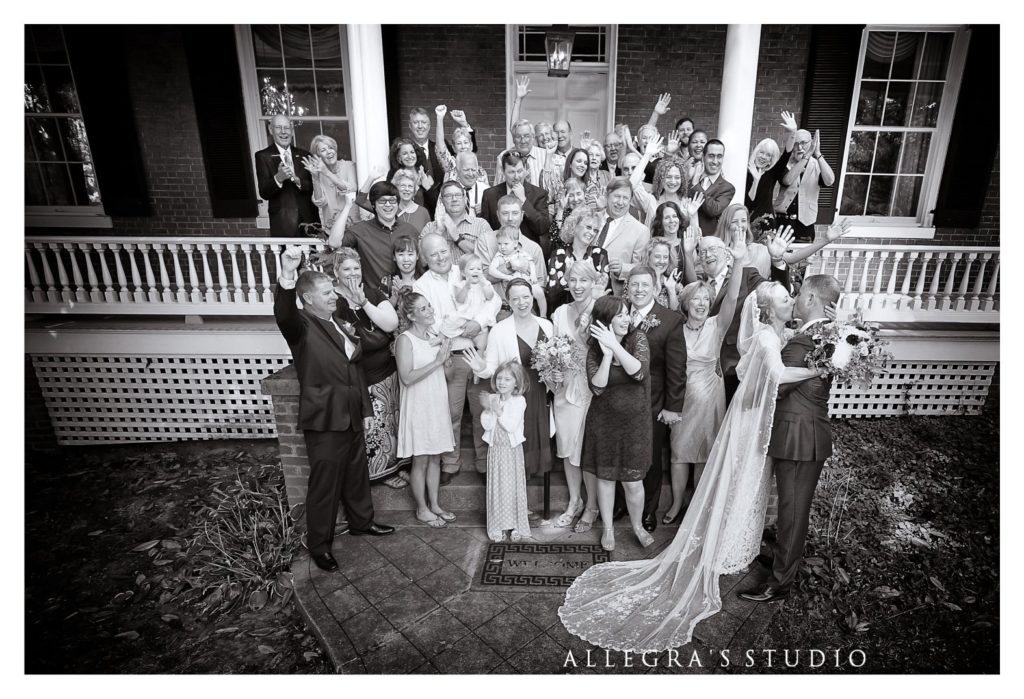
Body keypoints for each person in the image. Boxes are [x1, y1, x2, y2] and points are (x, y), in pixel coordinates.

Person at [558, 281, 828, 652]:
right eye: (785, 298)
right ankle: (733, 544)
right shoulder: (768, 337)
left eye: (792, 297)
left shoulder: (781, 335)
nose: (792, 300)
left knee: (745, 485)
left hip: (754, 419)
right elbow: (601, 385)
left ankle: (736, 542)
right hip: (737, 417)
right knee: (731, 479)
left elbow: (640, 369)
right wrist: (826, 367)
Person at [273, 247, 394, 572]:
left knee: (357, 473)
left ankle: (361, 522)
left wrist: (367, 411)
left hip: (353, 413)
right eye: (326, 292)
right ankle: (319, 545)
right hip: (325, 418)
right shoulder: (300, 328)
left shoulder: (339, 323)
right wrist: (287, 273)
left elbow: (356, 369)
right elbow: (283, 311)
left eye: (331, 291)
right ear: (308, 298)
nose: (332, 296)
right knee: (325, 484)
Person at [739, 274, 842, 602]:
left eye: (799, 294)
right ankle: (785, 561)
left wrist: (748, 393)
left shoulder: (803, 343)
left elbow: (777, 387)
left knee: (792, 511)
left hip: (800, 437)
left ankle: (780, 582)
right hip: (802, 435)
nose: (795, 299)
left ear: (812, 299)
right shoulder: (823, 335)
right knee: (790, 509)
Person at [664, 237, 747, 524]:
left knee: (702, 451)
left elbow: (734, 298)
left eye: (705, 299)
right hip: (681, 398)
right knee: (678, 453)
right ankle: (676, 504)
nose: (700, 303)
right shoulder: (675, 329)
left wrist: (738, 260)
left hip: (711, 396)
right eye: (695, 299)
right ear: (685, 304)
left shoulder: (716, 325)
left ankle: (697, 507)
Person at [414, 234, 500, 481]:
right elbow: (431, 321)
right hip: (449, 356)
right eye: (433, 254)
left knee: (482, 411)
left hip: (478, 353)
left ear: (449, 251)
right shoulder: (422, 285)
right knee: (450, 413)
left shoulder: (465, 270)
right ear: (425, 258)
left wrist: (478, 322)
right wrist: (465, 329)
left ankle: (485, 463)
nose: (440, 257)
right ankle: (450, 463)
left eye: (443, 251)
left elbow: (492, 301)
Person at [610, 266, 686, 533]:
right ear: (627, 289)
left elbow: (676, 369)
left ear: (655, 288)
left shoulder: (670, 320)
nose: (639, 290)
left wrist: (671, 407)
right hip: (617, 401)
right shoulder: (617, 315)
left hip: (652, 404)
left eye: (644, 285)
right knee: (618, 454)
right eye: (634, 285)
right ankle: (620, 503)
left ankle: (648, 510)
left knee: (649, 458)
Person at [680, 230, 792, 404]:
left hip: (734, 366)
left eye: (712, 249)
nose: (707, 254)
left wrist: (777, 261)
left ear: (726, 252)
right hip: (700, 370)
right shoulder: (699, 282)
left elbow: (778, 296)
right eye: (702, 252)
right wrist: (687, 254)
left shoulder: (747, 275)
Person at [578, 295, 652, 552]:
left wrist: (616, 346)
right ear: (605, 320)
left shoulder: (638, 339)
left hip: (635, 424)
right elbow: (597, 387)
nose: (625, 319)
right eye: (619, 315)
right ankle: (608, 528)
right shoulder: (594, 349)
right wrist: (607, 354)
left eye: (626, 314)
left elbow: (639, 372)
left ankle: (638, 526)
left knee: (633, 482)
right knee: (606, 478)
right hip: (604, 422)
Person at [465, 279, 554, 490]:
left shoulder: (547, 325)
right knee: (516, 448)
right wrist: (480, 366)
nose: (522, 302)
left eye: (526, 297)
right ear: (508, 301)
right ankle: (514, 504)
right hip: (515, 399)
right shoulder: (500, 330)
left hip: (541, 396)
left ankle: (524, 504)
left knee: (535, 445)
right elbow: (492, 369)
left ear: (533, 297)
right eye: (515, 298)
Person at [330, 248, 405, 490]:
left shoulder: (371, 293)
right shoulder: (334, 301)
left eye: (356, 268)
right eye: (346, 269)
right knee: (374, 426)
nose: (352, 273)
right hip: (362, 375)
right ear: (336, 272)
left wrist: (363, 302)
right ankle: (378, 473)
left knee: (391, 421)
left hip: (387, 370)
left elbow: (391, 323)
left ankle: (395, 465)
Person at [394, 288, 456, 528]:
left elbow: (448, 375)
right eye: (423, 309)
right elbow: (407, 377)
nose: (430, 311)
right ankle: (422, 509)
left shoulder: (434, 336)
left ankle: (435, 504)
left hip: (436, 403)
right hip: (418, 405)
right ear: (411, 316)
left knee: (436, 458)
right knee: (420, 459)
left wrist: (447, 358)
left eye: (429, 305)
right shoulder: (405, 340)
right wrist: (437, 361)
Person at [549, 261, 603, 531]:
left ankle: (592, 506)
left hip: (593, 389)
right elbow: (553, 349)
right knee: (568, 448)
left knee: (588, 451)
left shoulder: (602, 309)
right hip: (564, 389)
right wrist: (554, 373)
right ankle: (574, 501)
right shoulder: (559, 313)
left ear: (594, 282)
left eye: (584, 280)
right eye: (573, 280)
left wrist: (585, 334)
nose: (578, 286)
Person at [481, 361, 532, 542]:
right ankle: (498, 525)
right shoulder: (495, 399)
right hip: (495, 451)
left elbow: (510, 426)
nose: (502, 382)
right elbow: (486, 425)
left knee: (512, 488)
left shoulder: (519, 401)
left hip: (511, 451)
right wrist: (488, 409)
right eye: (499, 378)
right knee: (497, 489)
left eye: (507, 379)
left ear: (516, 383)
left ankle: (516, 524)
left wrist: (498, 411)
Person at [772, 121, 836, 243]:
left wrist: (817, 154)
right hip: (782, 223)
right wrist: (806, 158)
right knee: (779, 259)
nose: (800, 148)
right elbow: (787, 180)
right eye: (796, 144)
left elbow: (830, 181)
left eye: (803, 143)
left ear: (811, 143)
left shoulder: (817, 164)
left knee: (803, 261)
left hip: (805, 226)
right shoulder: (785, 164)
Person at [255, 115, 316, 237]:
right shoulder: (263, 156)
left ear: (292, 130)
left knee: (314, 256)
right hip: (283, 224)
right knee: (288, 256)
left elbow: (314, 187)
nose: (283, 132)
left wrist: (298, 181)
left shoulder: (305, 155)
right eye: (278, 127)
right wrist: (279, 178)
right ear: (271, 130)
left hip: (309, 221)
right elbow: (264, 193)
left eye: (287, 128)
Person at [475, 196, 547, 299]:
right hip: (495, 309)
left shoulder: (534, 248)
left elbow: (540, 286)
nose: (510, 218)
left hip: (525, 308)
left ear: (522, 215)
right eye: (505, 213)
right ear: (498, 215)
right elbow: (481, 278)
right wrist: (510, 266)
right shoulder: (484, 240)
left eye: (515, 213)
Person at [481, 152, 551, 254]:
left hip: (528, 253)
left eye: (520, 171)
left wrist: (523, 200)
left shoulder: (539, 194)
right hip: (497, 251)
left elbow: (542, 227)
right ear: (503, 171)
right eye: (511, 172)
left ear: (525, 170)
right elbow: (485, 228)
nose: (517, 176)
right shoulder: (490, 195)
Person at [545, 208, 609, 315]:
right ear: (574, 226)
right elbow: (551, 297)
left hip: (592, 315)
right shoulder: (558, 255)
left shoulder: (600, 255)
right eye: (588, 227)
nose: (591, 233)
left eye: (595, 230)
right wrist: (565, 278)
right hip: (563, 314)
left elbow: (606, 295)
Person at [595, 177, 650, 296]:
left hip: (612, 296)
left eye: (625, 198)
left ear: (630, 201)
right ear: (607, 195)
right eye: (617, 196)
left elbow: (642, 269)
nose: (620, 202)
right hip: (583, 289)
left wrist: (623, 269)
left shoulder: (641, 231)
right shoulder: (592, 218)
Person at [421, 180, 492, 263]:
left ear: (465, 198)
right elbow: (423, 261)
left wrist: (458, 238)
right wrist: (438, 232)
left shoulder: (481, 225)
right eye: (448, 196)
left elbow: (488, 257)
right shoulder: (430, 227)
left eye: (458, 195)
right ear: (441, 200)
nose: (454, 199)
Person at [489, 226, 547, 317]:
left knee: (539, 292)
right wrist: (507, 277)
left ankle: (543, 315)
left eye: (506, 244)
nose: (502, 247)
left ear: (515, 243)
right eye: (499, 244)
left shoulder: (520, 252)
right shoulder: (499, 256)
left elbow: (531, 263)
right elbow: (491, 270)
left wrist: (533, 275)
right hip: (512, 286)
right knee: (515, 300)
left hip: (527, 282)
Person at [302, 134, 357, 230]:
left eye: (331, 148)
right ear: (318, 156)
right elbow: (320, 202)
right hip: (331, 228)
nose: (329, 152)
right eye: (323, 150)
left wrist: (326, 172)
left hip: (352, 225)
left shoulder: (348, 165)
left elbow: (351, 188)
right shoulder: (319, 174)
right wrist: (315, 177)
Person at [450, 253, 497, 351]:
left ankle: (480, 360)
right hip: (463, 322)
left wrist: (484, 285)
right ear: (463, 273)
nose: (476, 271)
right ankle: (440, 338)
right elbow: (459, 299)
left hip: (480, 326)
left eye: (479, 269)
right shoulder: (460, 285)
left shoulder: (485, 284)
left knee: (483, 347)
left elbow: (490, 297)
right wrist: (466, 288)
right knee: (449, 323)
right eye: (471, 269)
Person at [433, 105, 489, 186]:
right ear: (454, 148)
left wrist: (464, 123)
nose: (463, 146)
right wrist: (440, 117)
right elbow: (440, 147)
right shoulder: (450, 166)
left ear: (471, 146)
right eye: (459, 143)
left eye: (466, 142)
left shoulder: (481, 172)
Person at [692, 139, 735, 236]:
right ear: (703, 157)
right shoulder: (690, 180)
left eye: (719, 156)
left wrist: (695, 184)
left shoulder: (727, 188)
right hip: (686, 238)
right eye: (711, 156)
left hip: (709, 241)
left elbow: (713, 210)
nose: (715, 161)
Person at [637, 237, 682, 311]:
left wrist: (671, 290)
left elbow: (678, 316)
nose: (662, 261)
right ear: (648, 257)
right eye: (657, 257)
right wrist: (656, 292)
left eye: (665, 257)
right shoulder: (635, 281)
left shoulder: (675, 285)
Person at [385, 234, 422, 305]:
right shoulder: (387, 281)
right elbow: (382, 313)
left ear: (417, 256)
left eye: (410, 254)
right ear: (394, 257)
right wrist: (395, 296)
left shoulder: (425, 280)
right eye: (401, 254)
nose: (406, 259)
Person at [391, 169, 431, 233]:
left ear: (414, 190)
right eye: (403, 186)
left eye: (410, 186)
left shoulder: (423, 212)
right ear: (396, 188)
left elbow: (428, 239)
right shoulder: (390, 210)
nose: (407, 189)